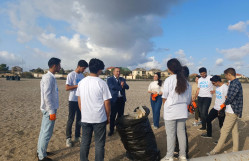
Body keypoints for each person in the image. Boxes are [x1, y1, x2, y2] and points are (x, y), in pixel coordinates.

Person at [76, 58, 112, 161]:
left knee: (85, 142)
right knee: (99, 144)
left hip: (86, 117)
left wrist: (83, 111)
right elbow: (107, 102)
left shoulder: (82, 82)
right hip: (99, 118)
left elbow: (79, 100)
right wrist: (107, 116)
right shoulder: (102, 83)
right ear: (99, 70)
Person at [161, 59, 192, 161]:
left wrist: (168, 106)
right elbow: (188, 100)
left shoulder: (169, 80)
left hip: (171, 111)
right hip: (182, 111)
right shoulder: (187, 82)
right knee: (181, 133)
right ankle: (182, 155)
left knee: (170, 134)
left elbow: (164, 96)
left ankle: (169, 156)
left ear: (170, 69)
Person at [208, 68, 243, 155]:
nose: (226, 77)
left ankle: (215, 151)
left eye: (226, 75)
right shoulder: (234, 83)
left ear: (229, 74)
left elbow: (230, 98)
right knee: (234, 131)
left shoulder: (235, 84)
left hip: (232, 111)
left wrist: (223, 104)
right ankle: (235, 150)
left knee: (224, 131)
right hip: (232, 110)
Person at [37, 57, 61, 161]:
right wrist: (51, 112)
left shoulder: (49, 77)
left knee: (43, 132)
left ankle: (40, 151)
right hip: (49, 109)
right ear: (54, 65)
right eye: (59, 65)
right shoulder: (48, 78)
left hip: (47, 108)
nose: (60, 67)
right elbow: (47, 96)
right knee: (46, 133)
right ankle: (42, 157)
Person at [65, 60, 88, 147]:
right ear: (79, 66)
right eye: (83, 68)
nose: (84, 70)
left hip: (81, 100)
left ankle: (77, 136)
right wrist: (77, 86)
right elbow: (67, 88)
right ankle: (68, 138)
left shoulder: (82, 76)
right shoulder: (71, 75)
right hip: (72, 100)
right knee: (71, 119)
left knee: (79, 119)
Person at [107, 67, 129, 136]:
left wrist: (124, 85)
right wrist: (121, 86)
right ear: (113, 72)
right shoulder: (110, 79)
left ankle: (119, 129)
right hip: (114, 100)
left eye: (119, 71)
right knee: (113, 115)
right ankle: (111, 130)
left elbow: (128, 87)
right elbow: (112, 87)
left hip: (121, 100)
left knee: (120, 115)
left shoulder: (122, 79)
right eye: (117, 71)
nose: (118, 73)